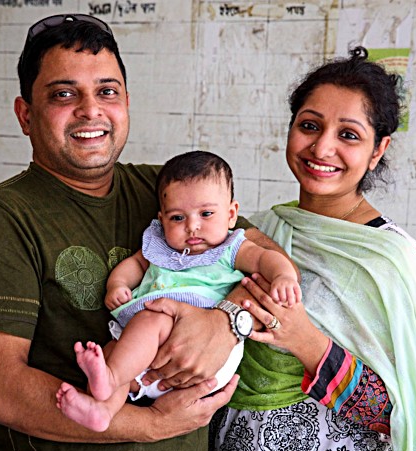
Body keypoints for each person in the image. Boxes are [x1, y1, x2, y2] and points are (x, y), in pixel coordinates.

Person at [0, 14, 281, 451]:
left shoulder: (167, 191)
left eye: (107, 91)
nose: (91, 109)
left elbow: (266, 256)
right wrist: (155, 423)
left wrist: (225, 320)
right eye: (64, 94)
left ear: (125, 102)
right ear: (25, 114)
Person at [209, 46, 416, 451]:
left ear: (378, 150)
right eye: (309, 125)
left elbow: (405, 415)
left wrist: (306, 341)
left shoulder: (396, 263)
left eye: (349, 135)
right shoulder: (258, 232)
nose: (322, 148)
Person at [56, 151, 301, 432]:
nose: (192, 226)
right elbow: (135, 263)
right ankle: (102, 410)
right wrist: (118, 284)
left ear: (231, 214)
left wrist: (282, 275)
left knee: (148, 324)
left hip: (205, 351)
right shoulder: (159, 246)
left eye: (206, 214)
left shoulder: (230, 247)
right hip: (150, 350)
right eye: (177, 218)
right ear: (162, 219)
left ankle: (110, 378)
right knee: (112, 350)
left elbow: (263, 258)